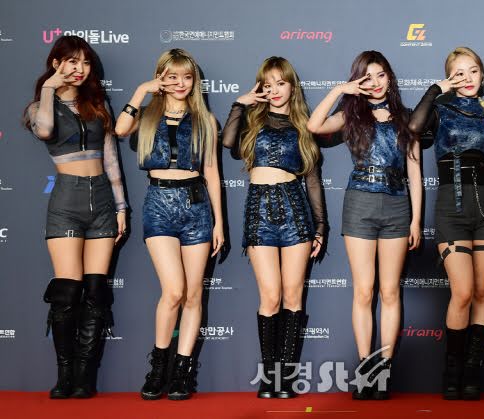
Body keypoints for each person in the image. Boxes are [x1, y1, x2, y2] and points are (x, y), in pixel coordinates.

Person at [307, 50, 422, 400]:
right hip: (359, 203)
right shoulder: (351, 115)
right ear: (358, 81)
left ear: (390, 77)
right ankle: (366, 370)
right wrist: (339, 90)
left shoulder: (407, 117)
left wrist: (416, 219)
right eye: (367, 77)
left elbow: (415, 172)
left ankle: (384, 370)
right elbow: (313, 126)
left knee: (390, 291)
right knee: (363, 291)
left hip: (397, 205)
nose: (375, 83)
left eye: (380, 75)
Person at [114, 48, 224, 401]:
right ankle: (158, 368)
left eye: (186, 77)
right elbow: (119, 129)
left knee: (193, 295)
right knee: (174, 291)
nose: (180, 83)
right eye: (172, 76)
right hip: (159, 205)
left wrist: (219, 223)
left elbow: (211, 172)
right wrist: (140, 91)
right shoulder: (147, 115)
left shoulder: (205, 119)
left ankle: (182, 372)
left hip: (196, 207)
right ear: (160, 77)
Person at [24, 35, 127, 399]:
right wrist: (50, 88)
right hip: (66, 199)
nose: (80, 69)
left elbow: (111, 158)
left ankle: (85, 377)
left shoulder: (97, 103)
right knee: (67, 292)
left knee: (96, 291)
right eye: (72, 61)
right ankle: (64, 375)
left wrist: (121, 207)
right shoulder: (39, 107)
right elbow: (45, 130)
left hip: (102, 200)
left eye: (85, 62)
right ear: (56, 63)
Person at [222, 56, 325, 399]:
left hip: (296, 211)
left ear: (292, 87)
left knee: (293, 296)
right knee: (270, 295)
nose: (275, 90)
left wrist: (321, 227)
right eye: (268, 84)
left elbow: (313, 181)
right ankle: (269, 377)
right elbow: (227, 142)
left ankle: (286, 377)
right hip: (259, 211)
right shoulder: (252, 122)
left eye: (281, 83)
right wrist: (240, 103)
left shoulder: (305, 126)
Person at [409, 47, 484, 400]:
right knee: (463, 292)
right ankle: (451, 370)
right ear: (449, 77)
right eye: (459, 73)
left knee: (483, 292)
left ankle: (472, 371)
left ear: (483, 75)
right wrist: (436, 89)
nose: (467, 78)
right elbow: (413, 127)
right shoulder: (439, 111)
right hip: (451, 209)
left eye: (473, 71)